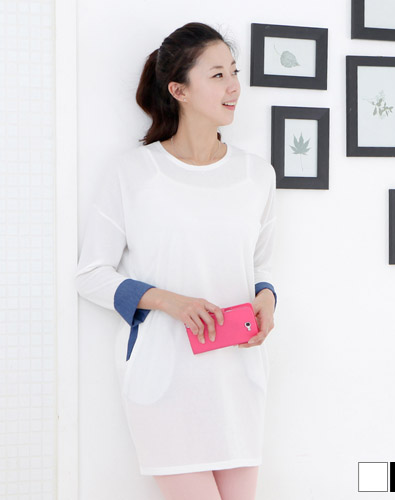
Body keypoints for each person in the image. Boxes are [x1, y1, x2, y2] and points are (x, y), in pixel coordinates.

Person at [75, 22, 277, 500]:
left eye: (235, 72)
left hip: (238, 378)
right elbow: (90, 275)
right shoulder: (134, 173)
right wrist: (170, 301)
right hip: (165, 380)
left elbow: (261, 265)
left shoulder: (256, 175)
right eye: (217, 75)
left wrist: (267, 299)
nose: (234, 86)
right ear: (178, 90)